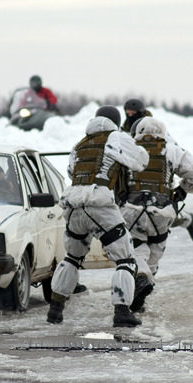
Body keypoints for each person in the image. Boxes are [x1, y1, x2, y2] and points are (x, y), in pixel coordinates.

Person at [47, 105, 149, 328]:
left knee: (72, 258)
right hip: (100, 203)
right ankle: (122, 312)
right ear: (116, 121)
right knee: (125, 259)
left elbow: (71, 171)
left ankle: (55, 309)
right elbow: (142, 161)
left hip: (73, 205)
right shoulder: (117, 137)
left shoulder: (80, 144)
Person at [122, 117, 193, 313]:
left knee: (136, 248)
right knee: (155, 252)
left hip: (131, 210)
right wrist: (183, 191)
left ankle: (140, 277)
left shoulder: (128, 149)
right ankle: (143, 288)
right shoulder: (171, 150)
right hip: (161, 211)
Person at [125, 99, 193, 242]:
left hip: (158, 181)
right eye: (127, 113)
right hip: (135, 184)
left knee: (163, 217)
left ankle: (187, 220)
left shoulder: (156, 130)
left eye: (133, 113)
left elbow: (174, 152)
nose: (130, 116)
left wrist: (181, 189)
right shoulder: (124, 131)